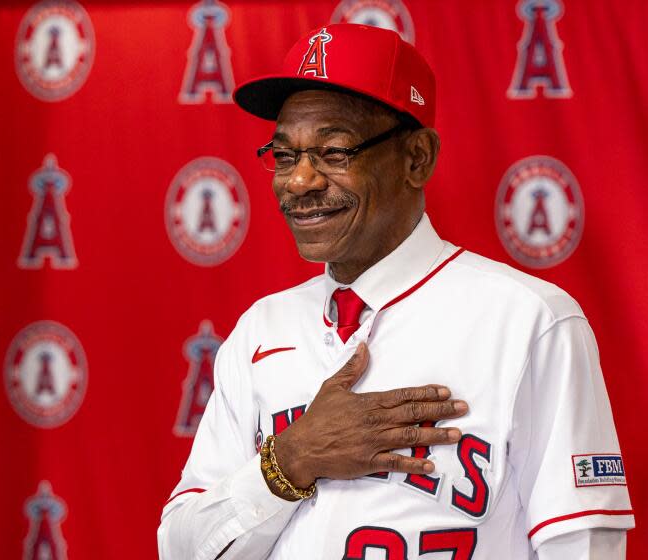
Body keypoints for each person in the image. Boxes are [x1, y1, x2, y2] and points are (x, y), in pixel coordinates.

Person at [158, 23, 634, 559]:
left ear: (416, 158)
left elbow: (584, 547)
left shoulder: (529, 320)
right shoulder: (261, 331)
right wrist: (291, 461)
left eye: (334, 151)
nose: (299, 181)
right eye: (286, 154)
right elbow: (180, 548)